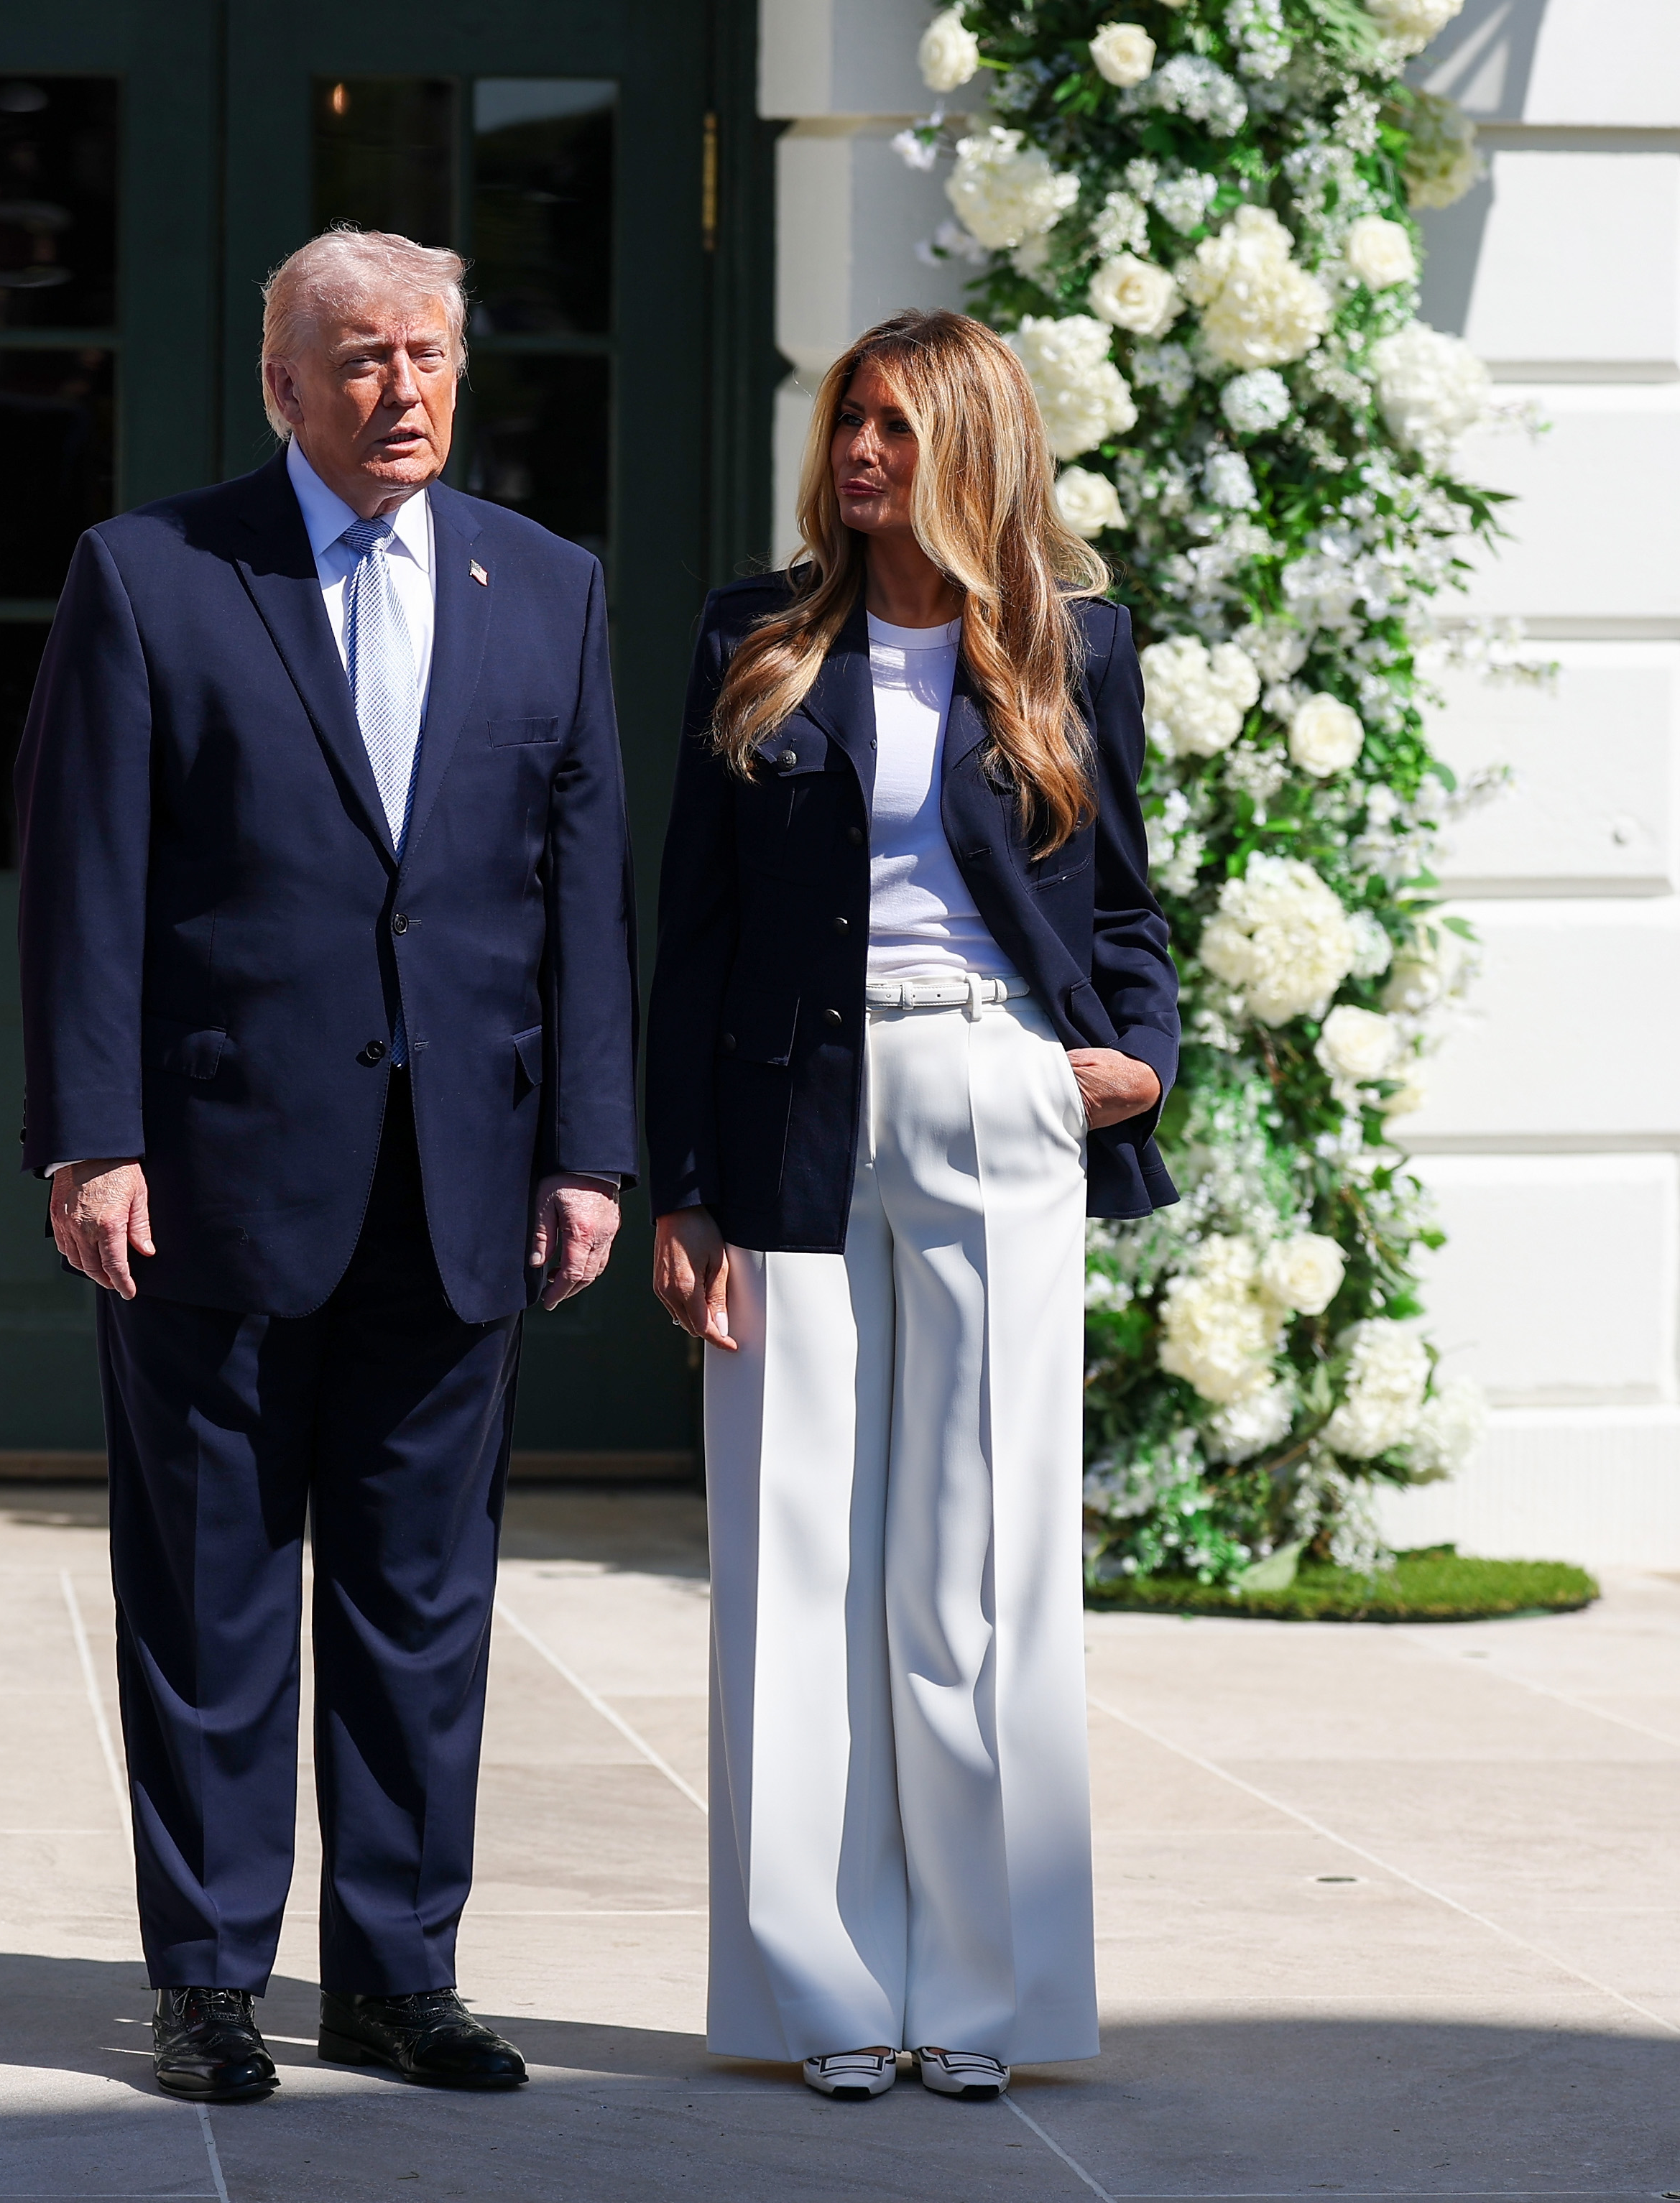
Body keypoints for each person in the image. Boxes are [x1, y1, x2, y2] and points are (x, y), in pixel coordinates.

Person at [14, 228, 639, 2103]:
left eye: (428, 354)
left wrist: (589, 1150)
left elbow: (576, 899)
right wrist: (89, 1139)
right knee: (207, 1593)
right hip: (211, 1172)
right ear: (281, 385)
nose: (400, 390)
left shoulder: (545, 588)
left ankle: (394, 1974)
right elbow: (84, 884)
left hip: (458, 1179)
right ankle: (207, 1974)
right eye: (357, 359)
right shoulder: (150, 575)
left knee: (417, 1599)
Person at [645, 308, 1178, 2105]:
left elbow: (1124, 908)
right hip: (788, 1109)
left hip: (992, 1096)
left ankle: (982, 1989)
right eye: (844, 423)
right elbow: (693, 932)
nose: (858, 453)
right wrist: (688, 1189)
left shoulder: (1068, 646)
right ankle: (820, 1992)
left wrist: (1131, 1060)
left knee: (974, 1566)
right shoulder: (756, 636)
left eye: (892, 425)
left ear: (965, 442)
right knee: (795, 1562)